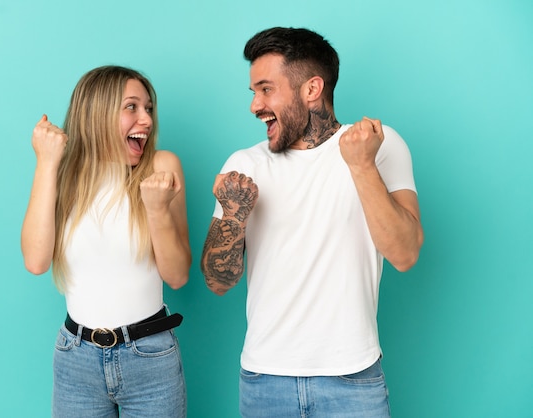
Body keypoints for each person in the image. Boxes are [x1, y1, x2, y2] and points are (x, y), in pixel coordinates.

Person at [200, 27, 424, 418]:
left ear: (311, 88)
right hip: (264, 380)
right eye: (253, 92)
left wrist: (360, 165)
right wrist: (234, 214)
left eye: (266, 89)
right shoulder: (244, 165)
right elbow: (218, 282)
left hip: (352, 379)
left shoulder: (379, 147)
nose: (255, 106)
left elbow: (405, 254)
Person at [21, 65, 191, 417]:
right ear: (97, 113)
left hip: (150, 358)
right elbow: (36, 261)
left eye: (149, 108)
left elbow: (177, 276)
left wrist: (157, 210)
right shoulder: (64, 173)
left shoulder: (162, 166)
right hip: (76, 359)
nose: (146, 119)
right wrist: (46, 163)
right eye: (132, 107)